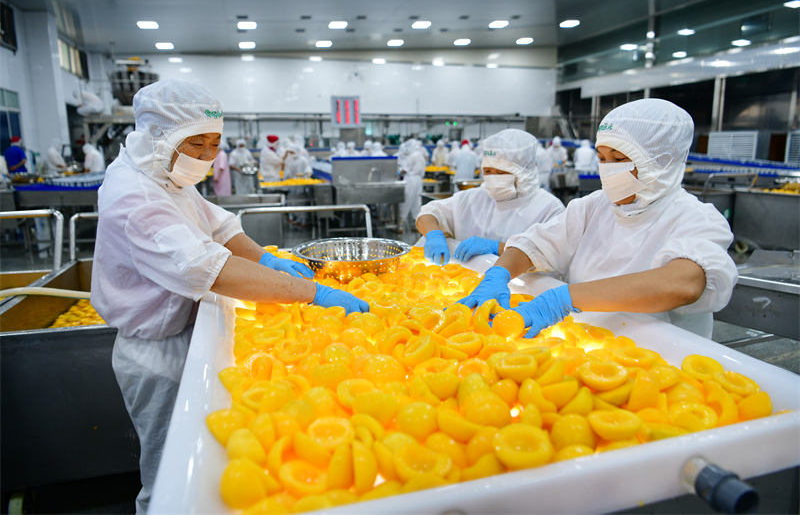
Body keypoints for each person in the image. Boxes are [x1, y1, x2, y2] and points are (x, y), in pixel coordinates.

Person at [90, 79, 368, 515]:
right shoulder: (135, 194)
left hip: (187, 326)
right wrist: (312, 293)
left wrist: (265, 260)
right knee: (170, 478)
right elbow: (205, 267)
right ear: (158, 136)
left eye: (213, 144)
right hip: (157, 351)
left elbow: (217, 227)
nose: (205, 156)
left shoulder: (165, 173)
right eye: (195, 144)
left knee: (200, 463)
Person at [456, 99, 737, 339]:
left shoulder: (697, 219)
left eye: (619, 159)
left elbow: (682, 285)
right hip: (584, 341)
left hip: (656, 359)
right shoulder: (593, 207)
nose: (608, 169)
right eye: (602, 158)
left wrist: (564, 298)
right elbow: (536, 243)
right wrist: (498, 274)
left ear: (661, 162)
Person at [417, 129, 565, 266]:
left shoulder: (549, 209)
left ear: (525, 171)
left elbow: (552, 260)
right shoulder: (473, 199)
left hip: (522, 291)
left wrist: (498, 248)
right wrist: (434, 234)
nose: (494, 178)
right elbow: (428, 213)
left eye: (501, 173)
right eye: (488, 171)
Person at [398, 141, 425, 231]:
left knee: (406, 200)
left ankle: (401, 223)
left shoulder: (413, 156)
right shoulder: (420, 154)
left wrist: (398, 172)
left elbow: (405, 169)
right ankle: (417, 225)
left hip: (410, 179)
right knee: (416, 202)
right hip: (418, 180)